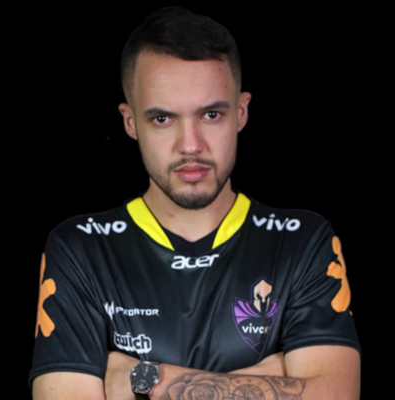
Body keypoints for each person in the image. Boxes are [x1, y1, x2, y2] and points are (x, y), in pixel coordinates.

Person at [29, 6, 361, 400]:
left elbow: (337, 394)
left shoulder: (303, 241)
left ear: (241, 113)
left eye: (211, 114)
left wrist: (146, 379)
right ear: (130, 122)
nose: (190, 145)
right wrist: (275, 379)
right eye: (162, 119)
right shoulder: (80, 247)